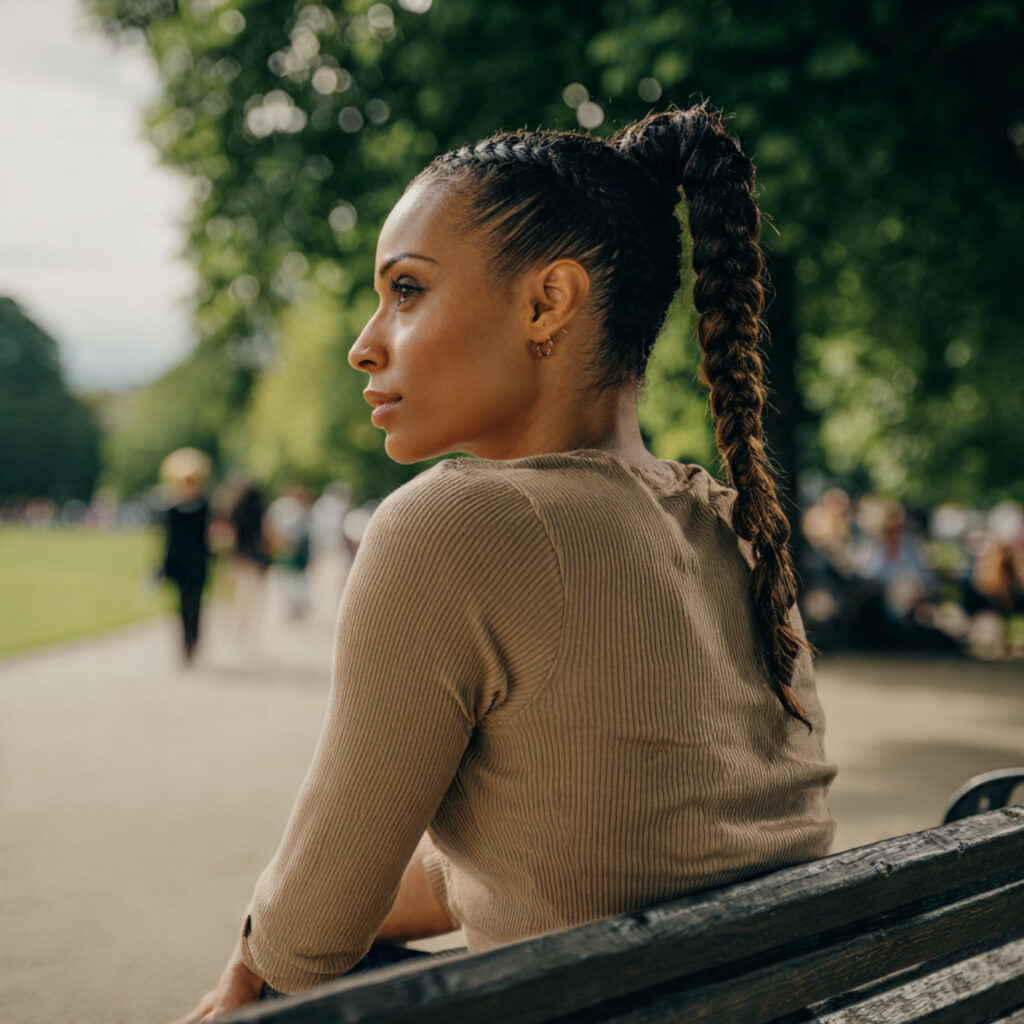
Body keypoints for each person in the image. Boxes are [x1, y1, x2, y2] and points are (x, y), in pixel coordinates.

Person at [176, 103, 836, 1021]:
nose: (365, 343)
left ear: (546, 302)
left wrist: (256, 946)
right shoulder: (735, 522)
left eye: (406, 291)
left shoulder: (457, 523)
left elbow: (306, 940)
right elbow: (605, 840)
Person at [157, 448, 212, 665]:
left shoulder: (204, 506)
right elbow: (168, 539)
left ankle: (194, 639)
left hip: (198, 564)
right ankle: (185, 641)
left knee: (196, 604)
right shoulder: (172, 508)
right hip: (180, 563)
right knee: (181, 605)